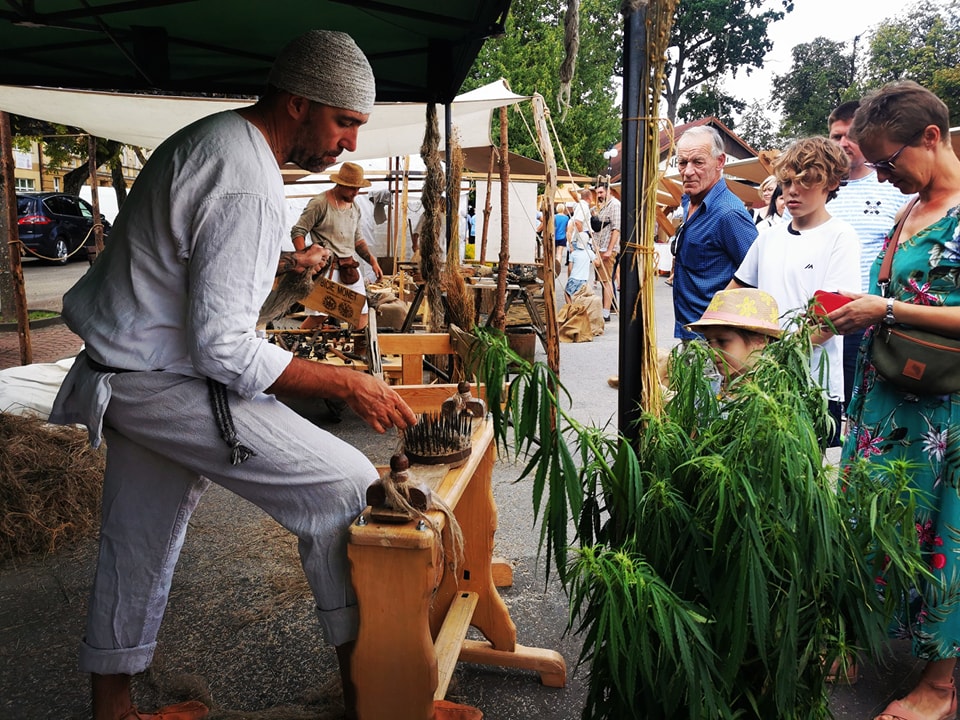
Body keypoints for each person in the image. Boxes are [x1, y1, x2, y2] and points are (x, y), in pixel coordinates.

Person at [47, 30, 418, 720]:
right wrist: (347, 383)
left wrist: (286, 273)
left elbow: (196, 289)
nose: (349, 145)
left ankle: (114, 709)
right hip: (156, 381)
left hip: (125, 372)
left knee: (137, 539)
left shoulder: (217, 139)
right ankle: (380, 702)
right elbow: (223, 349)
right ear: (299, 103)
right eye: (345, 122)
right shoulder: (248, 179)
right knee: (345, 488)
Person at [827, 81, 960, 720]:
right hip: (884, 395)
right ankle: (858, 631)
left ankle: (938, 685)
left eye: (889, 161)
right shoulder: (911, 206)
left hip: (942, 410)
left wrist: (887, 307)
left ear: (931, 138)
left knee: (939, 533)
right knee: (868, 516)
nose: (882, 175)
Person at [730, 136, 860, 447]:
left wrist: (776, 357)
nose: (791, 192)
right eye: (786, 183)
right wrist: (720, 336)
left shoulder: (840, 236)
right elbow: (736, 289)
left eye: (804, 183)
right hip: (761, 377)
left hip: (812, 382)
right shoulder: (769, 237)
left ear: (829, 183)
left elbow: (831, 317)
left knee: (802, 477)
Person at [827, 100, 910, 406]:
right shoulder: (815, 188)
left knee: (858, 404)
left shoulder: (893, 186)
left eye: (852, 136)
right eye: (836, 136)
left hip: (870, 316)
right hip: (820, 314)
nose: (844, 143)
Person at [672, 126, 758, 341]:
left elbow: (757, 272)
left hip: (715, 340)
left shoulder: (728, 214)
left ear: (720, 162)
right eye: (683, 162)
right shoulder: (689, 202)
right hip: (691, 332)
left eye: (698, 162)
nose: (688, 171)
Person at [291, 161, 383, 331]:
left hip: (349, 268)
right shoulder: (320, 203)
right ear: (340, 184)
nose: (356, 193)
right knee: (319, 316)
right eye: (351, 188)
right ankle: (293, 349)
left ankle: (360, 354)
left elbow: (358, 239)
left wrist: (372, 260)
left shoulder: (354, 207)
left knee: (361, 314)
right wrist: (304, 261)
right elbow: (298, 231)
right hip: (326, 269)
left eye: (358, 188)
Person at [685, 287, 781, 387]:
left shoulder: (773, 392)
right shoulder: (711, 386)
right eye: (709, 342)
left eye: (722, 342)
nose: (712, 352)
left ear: (761, 340)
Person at [593, 183, 620, 322]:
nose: (599, 196)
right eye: (597, 193)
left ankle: (606, 312)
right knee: (604, 280)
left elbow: (616, 229)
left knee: (607, 280)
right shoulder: (604, 206)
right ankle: (606, 310)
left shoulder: (614, 205)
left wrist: (609, 250)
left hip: (608, 249)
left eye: (601, 192)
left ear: (608, 191)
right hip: (602, 248)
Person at [564, 229, 596, 303]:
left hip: (574, 277)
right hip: (584, 279)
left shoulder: (573, 254)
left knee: (567, 293)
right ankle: (578, 309)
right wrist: (596, 251)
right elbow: (597, 263)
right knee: (580, 295)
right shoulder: (590, 253)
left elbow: (570, 268)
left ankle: (570, 307)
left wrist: (569, 277)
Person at [553, 202, 570, 276]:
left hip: (554, 236)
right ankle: (558, 266)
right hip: (562, 237)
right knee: (559, 253)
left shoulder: (554, 217)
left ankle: (552, 265)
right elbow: (567, 228)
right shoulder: (566, 218)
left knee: (553, 252)